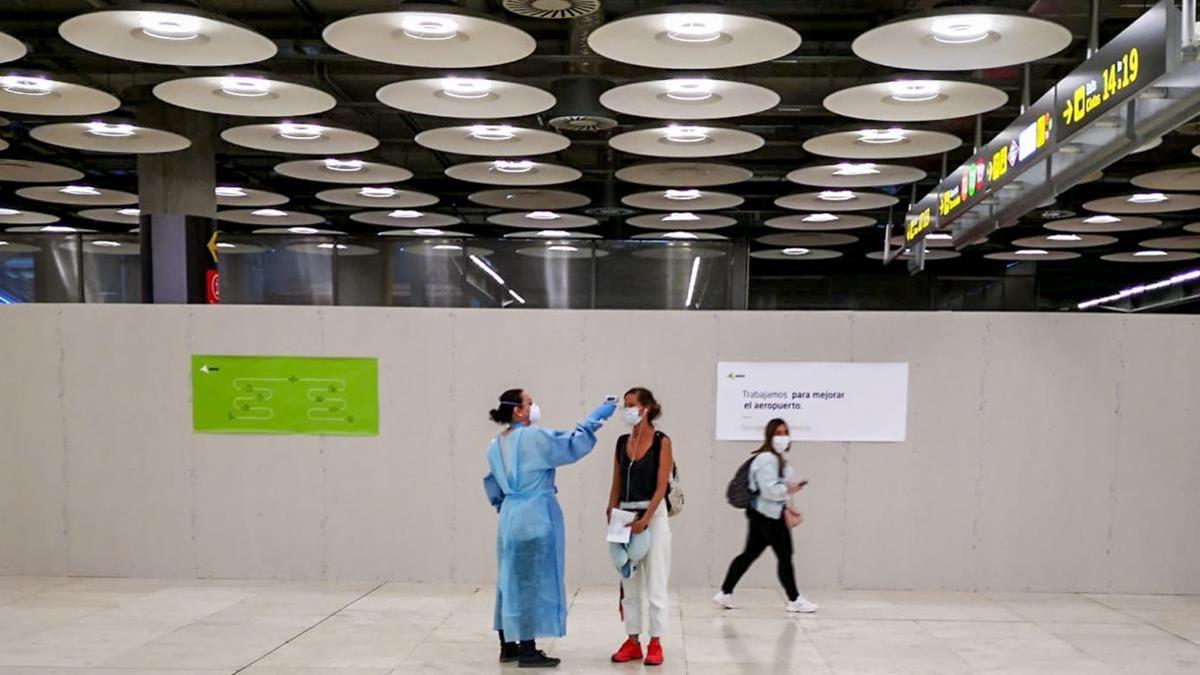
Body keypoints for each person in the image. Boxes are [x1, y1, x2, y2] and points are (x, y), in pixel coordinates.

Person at [483, 388, 616, 669]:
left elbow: (491, 483)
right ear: (518, 410)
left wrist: (507, 508)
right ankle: (529, 650)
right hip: (535, 515)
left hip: (509, 517)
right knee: (532, 582)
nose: (534, 406)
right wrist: (594, 420)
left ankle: (508, 644)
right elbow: (569, 445)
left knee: (510, 579)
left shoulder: (496, 444)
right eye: (529, 403)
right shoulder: (533, 437)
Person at [713, 418, 819, 614]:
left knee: (750, 554)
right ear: (770, 435)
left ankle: (725, 592)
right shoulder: (766, 459)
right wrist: (786, 490)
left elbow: (776, 486)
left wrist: (788, 492)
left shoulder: (775, 459)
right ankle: (794, 599)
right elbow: (769, 490)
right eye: (778, 433)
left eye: (785, 432)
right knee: (784, 555)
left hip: (764, 513)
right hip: (767, 515)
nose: (783, 437)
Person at [608, 387, 673, 667]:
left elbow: (662, 485)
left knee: (656, 582)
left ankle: (655, 642)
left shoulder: (661, 441)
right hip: (624, 515)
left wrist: (645, 518)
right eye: (625, 406)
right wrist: (611, 508)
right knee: (629, 582)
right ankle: (632, 640)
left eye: (632, 405)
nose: (627, 411)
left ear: (646, 408)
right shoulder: (622, 442)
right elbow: (617, 480)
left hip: (653, 516)